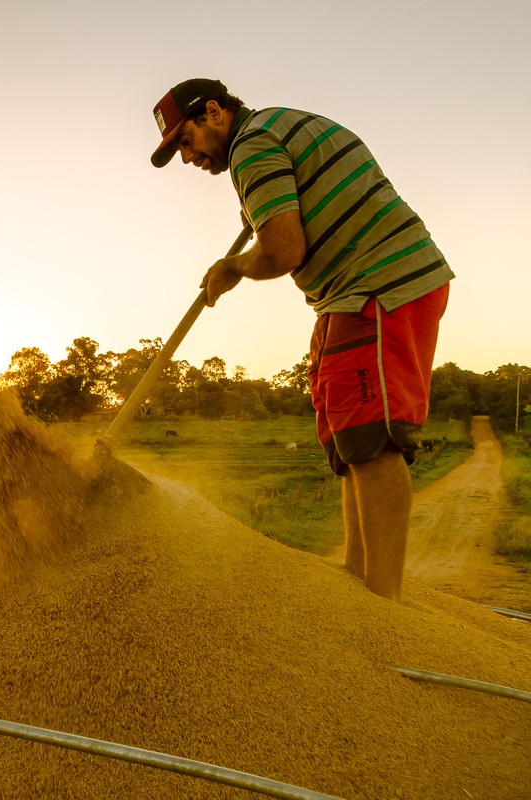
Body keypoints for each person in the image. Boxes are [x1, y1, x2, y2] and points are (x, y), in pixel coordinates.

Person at [149, 78, 453, 601]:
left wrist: (233, 267)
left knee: (371, 436)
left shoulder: (253, 145)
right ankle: (358, 583)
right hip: (346, 293)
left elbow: (283, 250)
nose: (187, 156)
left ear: (214, 112)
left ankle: (383, 606)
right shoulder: (274, 130)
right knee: (344, 428)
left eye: (185, 140)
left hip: (378, 282)